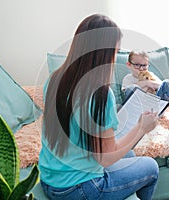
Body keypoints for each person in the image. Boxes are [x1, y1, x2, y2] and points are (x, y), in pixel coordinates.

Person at [39, 14, 160, 200]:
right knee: (151, 167)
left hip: (49, 180)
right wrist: (141, 128)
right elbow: (104, 159)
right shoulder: (100, 95)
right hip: (78, 189)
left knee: (129, 154)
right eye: (115, 51)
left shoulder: (54, 79)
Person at [122, 49, 169, 130]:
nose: (141, 69)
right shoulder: (128, 78)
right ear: (129, 65)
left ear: (148, 65)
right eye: (137, 65)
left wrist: (150, 83)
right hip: (138, 111)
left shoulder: (151, 75)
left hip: (155, 108)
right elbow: (127, 92)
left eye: (144, 65)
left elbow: (161, 85)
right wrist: (146, 83)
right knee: (132, 88)